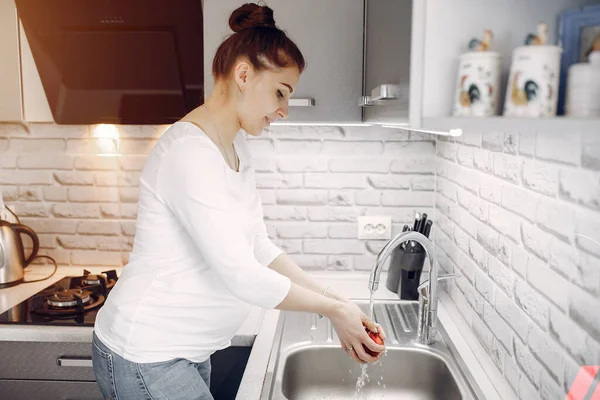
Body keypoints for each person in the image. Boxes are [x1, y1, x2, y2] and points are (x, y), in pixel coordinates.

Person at [92, 3, 385, 399]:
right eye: (280, 92)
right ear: (244, 74)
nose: (284, 111)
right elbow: (241, 274)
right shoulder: (188, 152)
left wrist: (334, 297)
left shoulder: (235, 147)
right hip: (147, 351)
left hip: (188, 349)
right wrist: (334, 312)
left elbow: (259, 248)